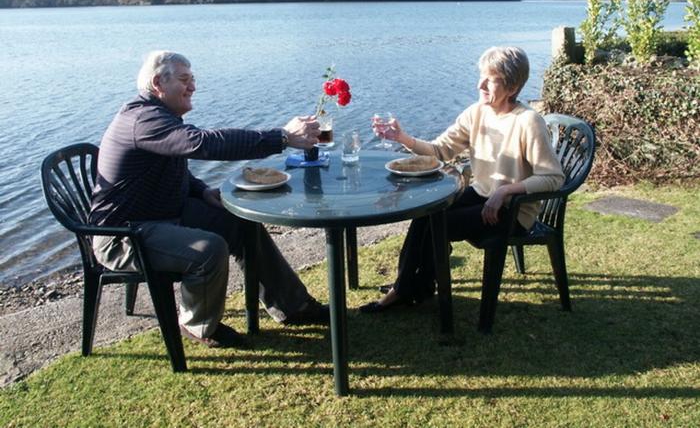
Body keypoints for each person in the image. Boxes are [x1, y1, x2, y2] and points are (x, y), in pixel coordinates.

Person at [90, 50, 329, 348]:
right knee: (209, 250)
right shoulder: (142, 119)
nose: (193, 87)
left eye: (193, 79)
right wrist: (281, 137)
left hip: (165, 215)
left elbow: (172, 167)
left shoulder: (159, 116)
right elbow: (203, 144)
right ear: (157, 84)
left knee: (241, 221)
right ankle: (198, 324)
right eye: (184, 80)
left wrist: (203, 191)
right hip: (125, 235)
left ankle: (294, 306)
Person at [360, 46, 565, 313]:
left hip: (513, 212)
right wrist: (403, 138)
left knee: (438, 223)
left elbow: (553, 177)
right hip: (481, 196)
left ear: (512, 87)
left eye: (490, 79)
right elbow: (440, 151)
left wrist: (505, 192)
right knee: (426, 213)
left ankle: (406, 289)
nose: (480, 84)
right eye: (481, 76)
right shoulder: (477, 112)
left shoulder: (528, 121)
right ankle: (413, 286)